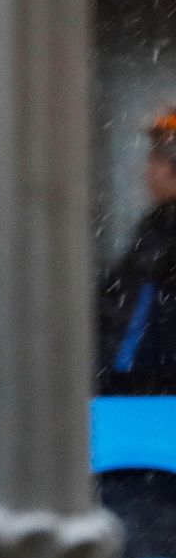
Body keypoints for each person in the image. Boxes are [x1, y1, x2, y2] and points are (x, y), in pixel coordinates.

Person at [103, 107, 176, 386]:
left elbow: (134, 326)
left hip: (150, 395)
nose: (146, 171)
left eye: (156, 159)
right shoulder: (156, 227)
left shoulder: (163, 239)